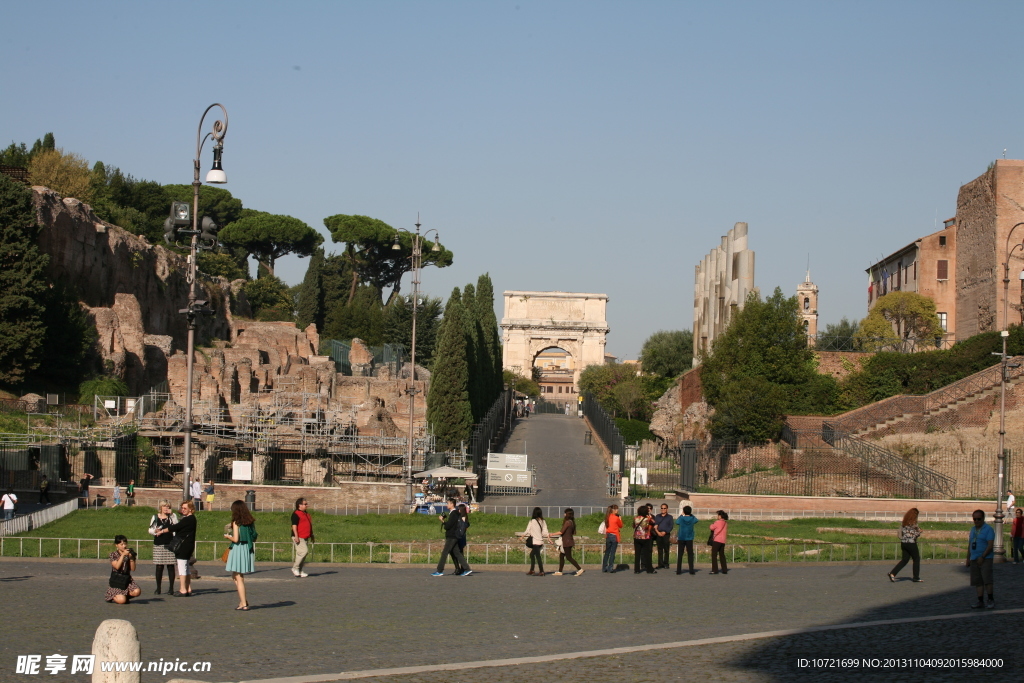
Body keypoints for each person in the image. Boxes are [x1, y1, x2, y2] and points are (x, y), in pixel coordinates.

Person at [157, 500, 197, 596]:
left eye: (185, 508)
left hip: (183, 546)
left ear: (191, 509)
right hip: (189, 545)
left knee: (182, 568)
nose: (182, 510)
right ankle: (188, 588)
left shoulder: (188, 519)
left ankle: (183, 589)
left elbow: (174, 527)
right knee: (186, 568)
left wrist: (162, 531)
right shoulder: (191, 518)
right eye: (182, 508)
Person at [225, 499, 257, 610]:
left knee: (238, 577)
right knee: (236, 575)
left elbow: (235, 539)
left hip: (238, 548)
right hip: (247, 548)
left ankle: (243, 603)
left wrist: (227, 537)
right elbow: (255, 536)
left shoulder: (236, 522)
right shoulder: (250, 521)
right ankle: (243, 600)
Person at [431, 499, 472, 577]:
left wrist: (442, 521)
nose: (447, 505)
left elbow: (448, 526)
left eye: (448, 504)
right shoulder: (456, 513)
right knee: (457, 553)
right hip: (455, 536)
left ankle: (439, 570)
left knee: (445, 552)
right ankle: (467, 569)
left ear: (452, 504)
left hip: (452, 536)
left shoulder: (453, 514)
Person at [148, 500, 178, 594]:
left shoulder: (172, 517)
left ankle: (171, 588)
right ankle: (158, 588)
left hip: (170, 543)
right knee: (159, 566)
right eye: (164, 506)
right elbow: (150, 529)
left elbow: (177, 526)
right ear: (160, 507)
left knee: (170, 566)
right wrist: (155, 531)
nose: (166, 508)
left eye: (168, 506)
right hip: (159, 544)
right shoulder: (155, 517)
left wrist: (172, 514)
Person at [967, 509, 995, 609]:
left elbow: (990, 545)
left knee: (987, 580)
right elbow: (970, 544)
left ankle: (990, 599)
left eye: (979, 519)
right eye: (974, 519)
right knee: (977, 581)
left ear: (983, 518)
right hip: (974, 558)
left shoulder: (988, 529)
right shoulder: (973, 530)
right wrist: (968, 558)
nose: (976, 521)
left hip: (986, 558)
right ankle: (980, 601)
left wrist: (983, 556)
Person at [888, 507, 923, 582]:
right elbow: (914, 535)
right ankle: (916, 577)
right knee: (916, 559)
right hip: (911, 543)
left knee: (905, 560)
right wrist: (920, 531)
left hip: (904, 543)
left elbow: (903, 533)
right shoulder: (913, 524)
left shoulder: (904, 523)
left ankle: (892, 573)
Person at [105, 535, 142, 604]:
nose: (124, 546)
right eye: (121, 544)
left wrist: (131, 558)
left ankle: (125, 595)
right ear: (116, 545)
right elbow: (117, 566)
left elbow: (133, 569)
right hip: (117, 580)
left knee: (137, 591)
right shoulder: (113, 554)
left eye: (125, 544)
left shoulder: (129, 553)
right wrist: (123, 555)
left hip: (126, 579)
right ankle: (112, 595)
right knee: (122, 601)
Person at [553, 508, 583, 576]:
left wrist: (552, 534)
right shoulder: (572, 522)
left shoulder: (567, 522)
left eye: (565, 513)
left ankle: (579, 569)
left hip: (567, 542)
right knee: (561, 556)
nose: (564, 514)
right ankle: (560, 571)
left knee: (569, 557)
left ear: (568, 514)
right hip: (569, 541)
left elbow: (561, 531)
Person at [291, 497, 314, 578]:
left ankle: (300, 570)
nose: (307, 505)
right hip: (299, 536)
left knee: (303, 554)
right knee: (303, 551)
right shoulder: (296, 514)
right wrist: (296, 536)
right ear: (299, 505)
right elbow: (294, 526)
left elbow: (309, 525)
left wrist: (312, 535)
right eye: (305, 504)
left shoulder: (307, 514)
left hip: (305, 536)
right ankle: (295, 568)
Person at [524, 507, 549, 576]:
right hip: (540, 541)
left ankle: (541, 571)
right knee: (532, 555)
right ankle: (532, 570)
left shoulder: (532, 521)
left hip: (535, 541)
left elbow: (527, 530)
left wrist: (522, 536)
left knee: (537, 556)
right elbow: (545, 532)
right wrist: (548, 537)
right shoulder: (543, 521)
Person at [633, 505, 655, 574]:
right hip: (645, 537)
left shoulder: (635, 518)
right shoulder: (647, 519)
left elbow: (633, 526)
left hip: (637, 537)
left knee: (637, 554)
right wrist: (650, 517)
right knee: (647, 554)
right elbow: (653, 522)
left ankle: (637, 569)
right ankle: (649, 569)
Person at [675, 505, 698, 575]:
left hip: (681, 537)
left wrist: (681, 515)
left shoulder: (681, 518)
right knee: (690, 554)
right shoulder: (692, 518)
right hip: (689, 538)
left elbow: (677, 522)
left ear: (684, 511)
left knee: (680, 554)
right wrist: (691, 514)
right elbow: (696, 520)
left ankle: (678, 570)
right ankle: (691, 569)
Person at [602, 504, 623, 573]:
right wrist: (620, 519)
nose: (617, 510)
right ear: (613, 510)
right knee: (612, 552)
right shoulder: (616, 518)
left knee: (607, 552)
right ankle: (610, 567)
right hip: (614, 535)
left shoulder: (607, 517)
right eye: (616, 509)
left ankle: (604, 567)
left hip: (608, 535)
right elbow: (620, 525)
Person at [653, 503, 674, 569]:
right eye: (662, 508)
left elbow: (671, 526)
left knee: (666, 549)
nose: (663, 509)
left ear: (667, 509)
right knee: (659, 550)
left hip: (666, 535)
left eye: (664, 508)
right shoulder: (657, 516)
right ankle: (660, 564)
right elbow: (655, 525)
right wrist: (658, 532)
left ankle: (666, 563)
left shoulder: (670, 517)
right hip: (658, 534)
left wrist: (665, 532)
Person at [451, 503, 470, 575]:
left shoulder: (461, 517)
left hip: (459, 537)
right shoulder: (465, 517)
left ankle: (459, 568)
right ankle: (461, 568)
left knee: (456, 552)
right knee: (460, 553)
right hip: (462, 537)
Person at [709, 510, 729, 575]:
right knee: (722, 555)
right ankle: (724, 569)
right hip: (723, 541)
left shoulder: (717, 522)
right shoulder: (725, 523)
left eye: (718, 515)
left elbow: (711, 527)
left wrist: (712, 524)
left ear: (720, 516)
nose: (717, 516)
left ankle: (715, 570)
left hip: (717, 540)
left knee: (714, 555)